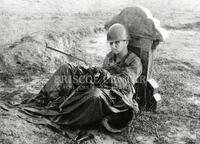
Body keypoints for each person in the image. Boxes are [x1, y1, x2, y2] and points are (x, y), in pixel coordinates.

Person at [21, 23, 142, 133]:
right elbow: (102, 75)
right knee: (67, 68)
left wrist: (105, 75)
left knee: (94, 95)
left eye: (117, 42)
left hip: (118, 97)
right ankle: (47, 100)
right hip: (105, 88)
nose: (113, 46)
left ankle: (68, 117)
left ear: (126, 42)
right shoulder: (109, 57)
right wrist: (92, 72)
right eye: (111, 43)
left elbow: (125, 83)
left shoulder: (134, 61)